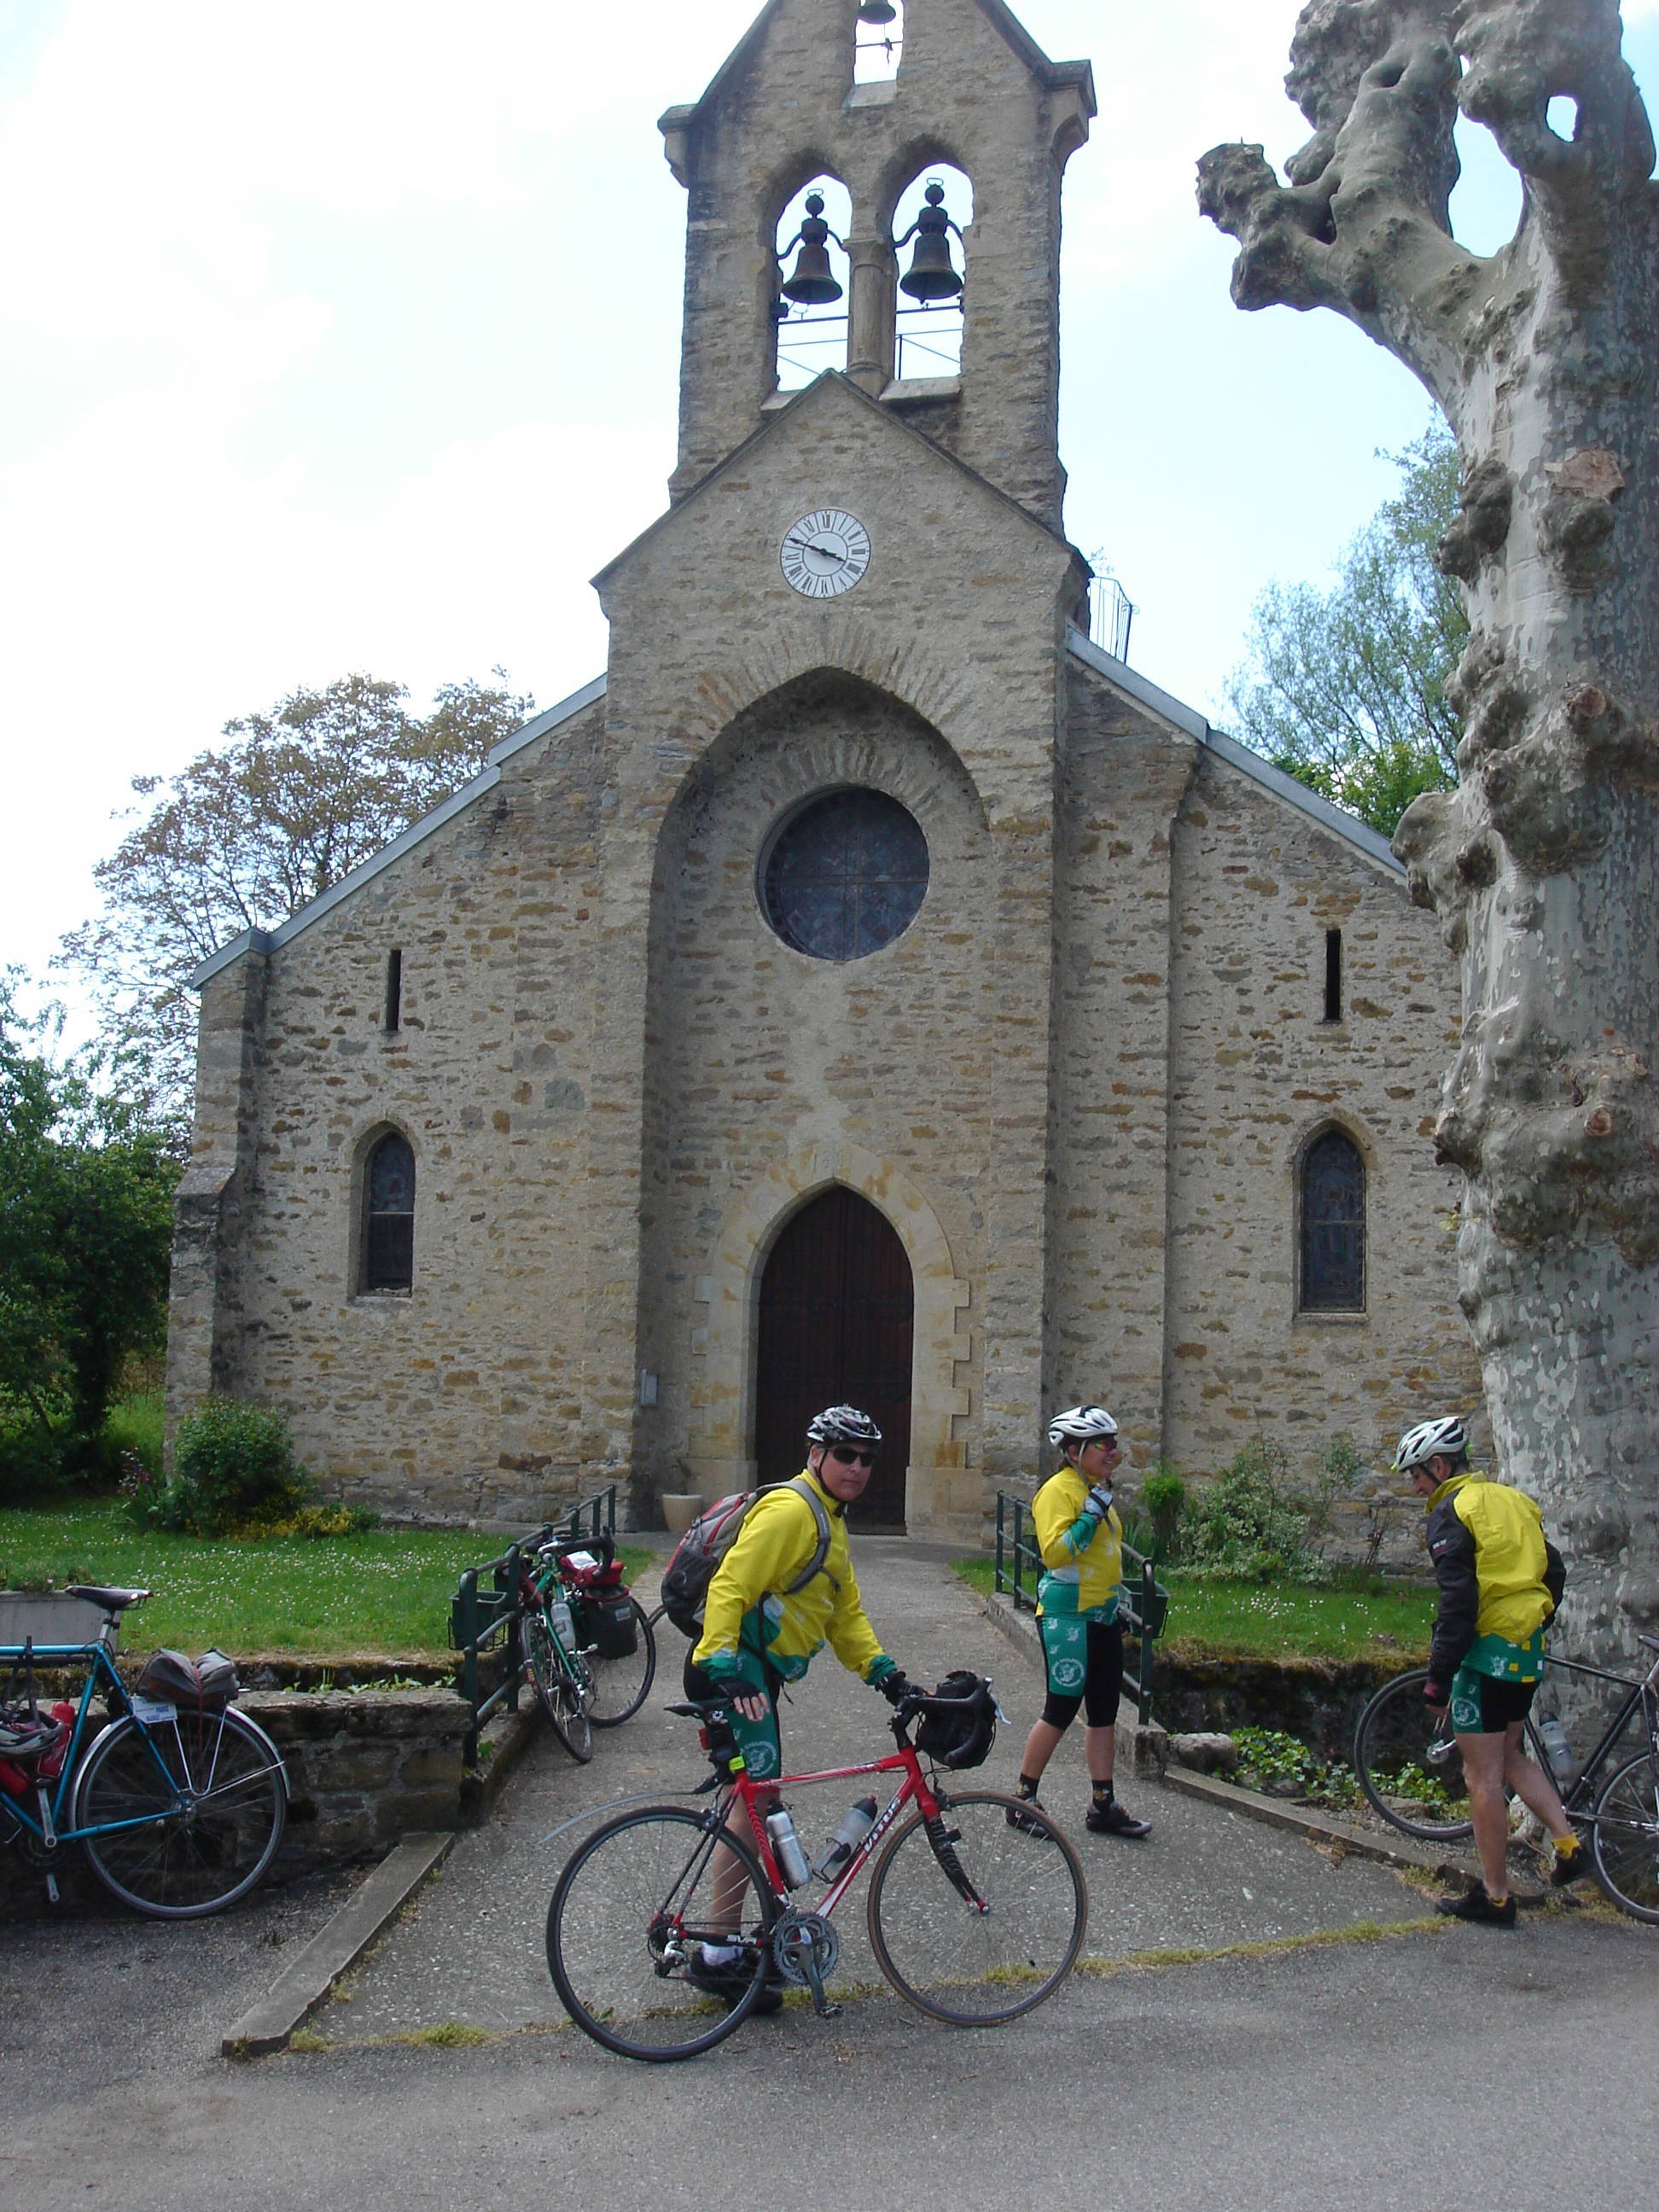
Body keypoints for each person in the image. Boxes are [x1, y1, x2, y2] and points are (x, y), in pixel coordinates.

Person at [684, 1404, 915, 2005]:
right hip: (738, 1671)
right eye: (844, 1454)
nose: (857, 1468)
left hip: (754, 1671)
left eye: (867, 1459)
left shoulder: (830, 1521)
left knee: (759, 1800)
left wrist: (885, 1674)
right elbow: (730, 1583)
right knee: (755, 1803)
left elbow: (843, 1615)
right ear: (816, 1455)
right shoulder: (792, 1510)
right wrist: (722, 1664)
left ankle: (736, 1943)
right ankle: (716, 1952)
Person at [1395, 1414, 1586, 1924]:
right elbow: (1556, 1570)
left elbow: (1458, 1601)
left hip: (1484, 1654)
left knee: (1481, 1776)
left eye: (1415, 1475)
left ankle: (1497, 1897)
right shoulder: (1513, 1500)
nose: (1414, 1487)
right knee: (1512, 1755)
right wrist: (1535, 1619)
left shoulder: (1452, 1511)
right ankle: (1567, 1844)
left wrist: (1439, 1677)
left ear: (1439, 1466)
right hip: (1525, 1649)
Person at [1009, 1405, 1151, 1839]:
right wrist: (1090, 1514)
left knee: (1105, 1709)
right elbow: (1054, 1553)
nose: (1113, 1451)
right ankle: (1021, 1800)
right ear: (1074, 1451)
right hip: (1067, 1616)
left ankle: (1103, 1805)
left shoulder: (1094, 1488)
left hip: (1102, 1614)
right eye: (1103, 1444)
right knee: (1062, 1706)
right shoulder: (1059, 1491)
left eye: (1114, 1443)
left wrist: (1119, 1602)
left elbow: (1104, 1556)